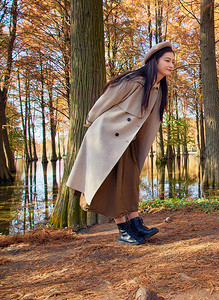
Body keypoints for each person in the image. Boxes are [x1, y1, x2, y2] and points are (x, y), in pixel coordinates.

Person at [66, 41, 175, 245]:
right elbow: (105, 101)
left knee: (130, 180)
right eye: (167, 60)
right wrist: (91, 122)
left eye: (173, 61)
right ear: (155, 61)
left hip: (128, 140)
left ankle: (134, 223)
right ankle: (123, 230)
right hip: (107, 137)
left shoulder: (158, 88)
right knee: (114, 184)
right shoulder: (135, 81)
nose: (171, 65)